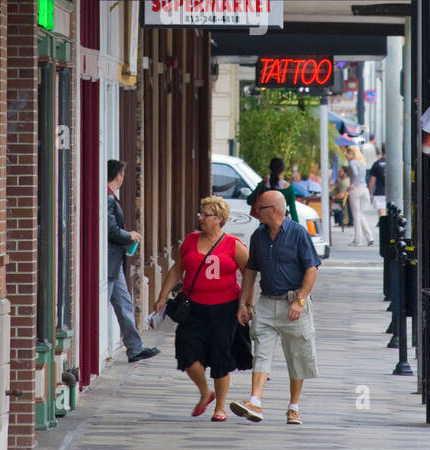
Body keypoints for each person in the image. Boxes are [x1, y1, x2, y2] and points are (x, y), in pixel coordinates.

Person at [152, 197, 251, 421]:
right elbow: (177, 269)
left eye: (205, 215)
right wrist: (162, 297)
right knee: (186, 352)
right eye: (201, 213)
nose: (200, 218)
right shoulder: (191, 240)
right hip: (194, 307)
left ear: (219, 219)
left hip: (225, 308)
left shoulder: (233, 244)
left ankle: (220, 408)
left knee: (220, 355)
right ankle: (205, 392)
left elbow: (249, 274)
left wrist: (246, 304)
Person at [230, 189, 320, 426]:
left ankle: (294, 407)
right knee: (261, 352)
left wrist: (300, 301)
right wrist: (244, 303)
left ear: (276, 210)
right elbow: (251, 271)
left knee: (297, 356)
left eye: (260, 208)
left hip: (293, 303)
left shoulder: (298, 233)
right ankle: (255, 401)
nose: (256, 212)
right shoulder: (258, 236)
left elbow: (312, 269)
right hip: (267, 303)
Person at [107, 159, 159, 363]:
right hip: (108, 263)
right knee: (115, 304)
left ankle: (135, 348)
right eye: (123, 175)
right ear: (118, 176)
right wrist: (130, 235)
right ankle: (135, 348)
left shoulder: (110, 197)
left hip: (114, 264)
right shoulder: (108, 198)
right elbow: (111, 230)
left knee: (124, 304)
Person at [247, 156, 299, 223]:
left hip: (265, 222)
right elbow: (293, 211)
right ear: (283, 170)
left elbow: (249, 200)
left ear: (270, 168)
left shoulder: (263, 185)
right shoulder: (288, 189)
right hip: (282, 223)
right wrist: (296, 226)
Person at [346, 145, 374, 246]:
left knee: (356, 216)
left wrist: (352, 183)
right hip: (364, 189)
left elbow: (355, 172)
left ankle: (358, 240)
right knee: (361, 215)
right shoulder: (361, 162)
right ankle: (369, 237)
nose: (346, 155)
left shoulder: (352, 162)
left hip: (356, 190)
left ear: (352, 153)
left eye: (347, 153)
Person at [368, 144, 387, 218]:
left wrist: (370, 193)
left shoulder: (377, 164)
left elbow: (372, 180)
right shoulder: (397, 163)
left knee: (382, 217)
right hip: (394, 192)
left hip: (380, 193)